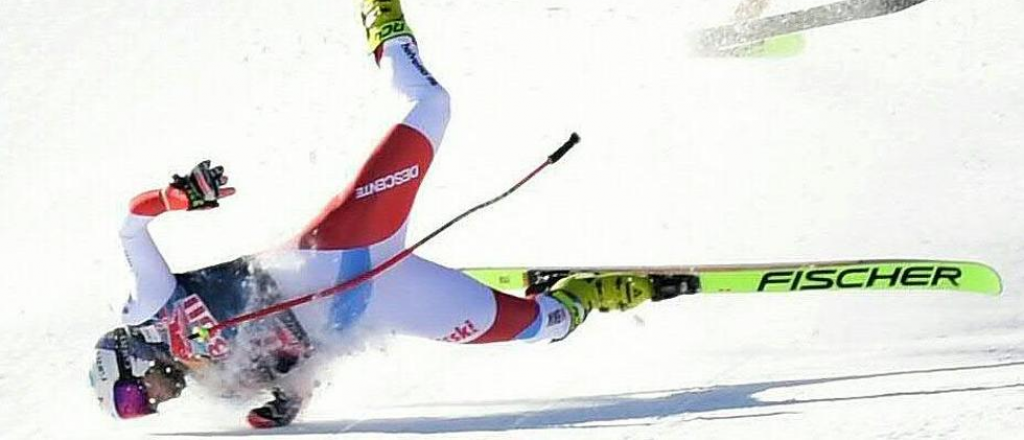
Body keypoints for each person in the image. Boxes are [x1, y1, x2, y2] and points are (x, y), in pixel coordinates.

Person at [88, 0, 657, 429]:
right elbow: (301, 369)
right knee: (541, 326)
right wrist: (290, 403)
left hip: (348, 243)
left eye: (138, 397)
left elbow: (129, 226)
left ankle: (383, 23)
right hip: (385, 302)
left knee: (431, 105)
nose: (154, 403)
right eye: (144, 409)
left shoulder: (149, 309)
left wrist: (175, 198)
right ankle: (585, 295)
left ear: (129, 362)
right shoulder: (222, 388)